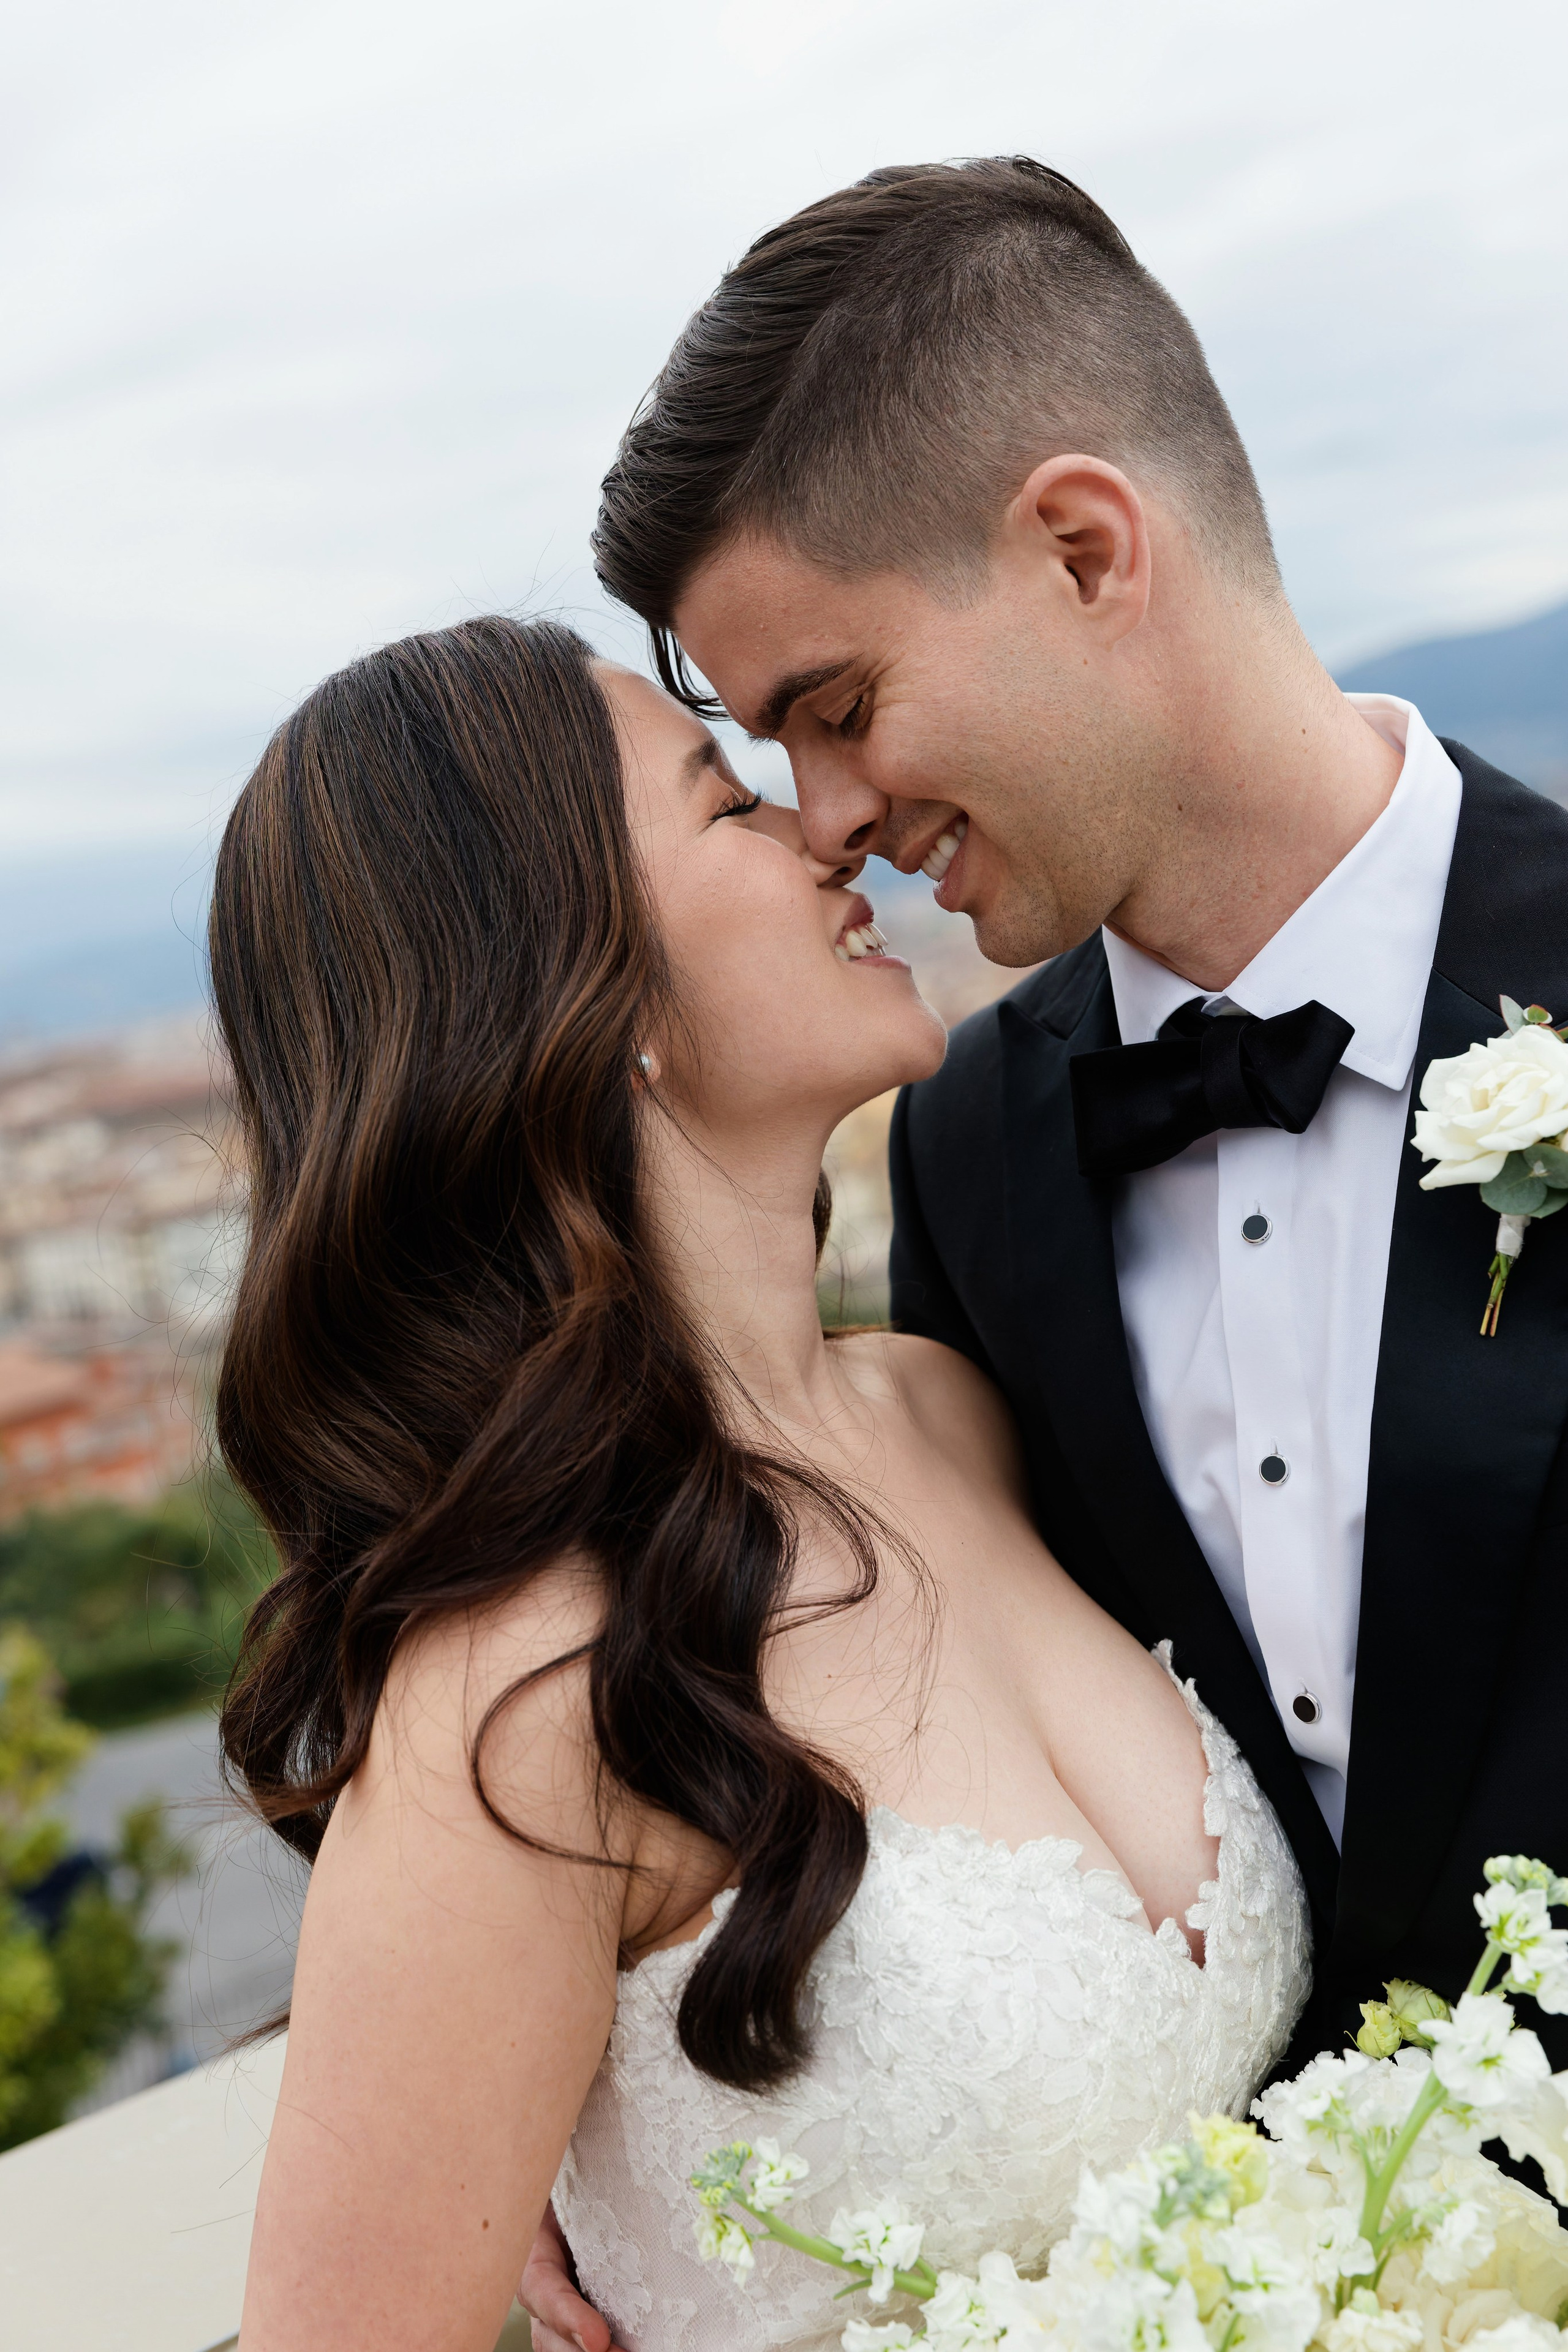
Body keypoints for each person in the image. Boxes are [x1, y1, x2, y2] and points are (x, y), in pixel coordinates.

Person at [526, 151, 1568, 2349]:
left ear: (1086, 550)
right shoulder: (974, 1149)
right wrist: (541, 2102)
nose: (822, 817)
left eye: (832, 702)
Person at [216, 616, 1309, 2352]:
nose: (832, 829)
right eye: (729, 804)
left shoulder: (955, 1415)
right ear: (581, 984)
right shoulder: (522, 1702)